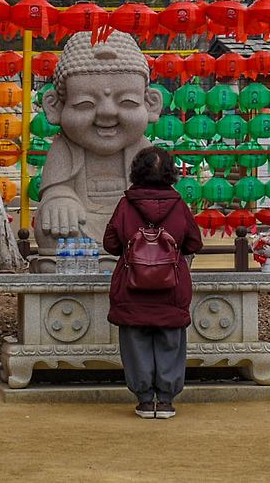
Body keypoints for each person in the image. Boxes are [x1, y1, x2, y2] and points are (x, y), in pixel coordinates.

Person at [103, 146, 203, 419]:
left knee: (136, 341)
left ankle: (145, 400)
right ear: (170, 173)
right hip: (171, 287)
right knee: (171, 340)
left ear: (137, 171)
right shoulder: (179, 205)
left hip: (132, 286)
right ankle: (167, 399)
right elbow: (195, 242)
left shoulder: (125, 205)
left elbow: (111, 244)